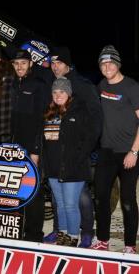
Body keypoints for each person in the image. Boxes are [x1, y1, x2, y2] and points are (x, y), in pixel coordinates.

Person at [43, 46, 101, 247]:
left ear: (68, 64)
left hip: (77, 157)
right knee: (60, 201)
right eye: (52, 63)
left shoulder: (83, 85)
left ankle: (85, 233)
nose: (55, 67)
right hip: (57, 159)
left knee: (79, 198)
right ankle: (61, 231)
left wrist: (85, 151)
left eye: (59, 63)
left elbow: (95, 120)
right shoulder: (53, 88)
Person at [91, 45, 139, 254]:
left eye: (111, 62)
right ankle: (103, 240)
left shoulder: (132, 87)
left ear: (118, 64)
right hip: (106, 152)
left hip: (129, 153)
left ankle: (129, 244)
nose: (107, 66)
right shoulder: (101, 85)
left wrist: (134, 152)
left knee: (128, 201)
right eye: (103, 63)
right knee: (100, 197)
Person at [10, 49, 48, 242]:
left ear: (30, 64)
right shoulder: (12, 84)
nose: (19, 67)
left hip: (31, 147)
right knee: (15, 189)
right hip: (13, 147)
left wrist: (35, 150)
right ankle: (17, 229)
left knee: (34, 190)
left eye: (23, 63)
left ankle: (34, 235)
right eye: (16, 63)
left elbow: (42, 120)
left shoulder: (38, 85)